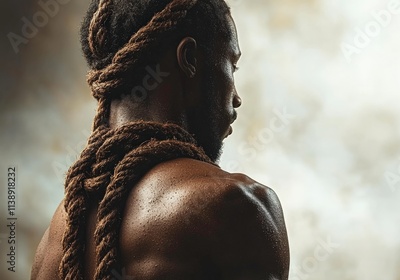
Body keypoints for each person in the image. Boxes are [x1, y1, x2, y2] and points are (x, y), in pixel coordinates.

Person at [30, 0, 290, 279]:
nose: (237, 98)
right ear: (189, 58)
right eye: (232, 65)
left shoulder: (55, 239)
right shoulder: (236, 206)